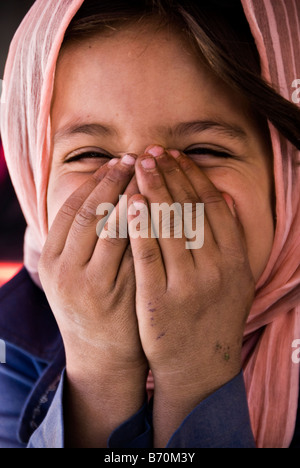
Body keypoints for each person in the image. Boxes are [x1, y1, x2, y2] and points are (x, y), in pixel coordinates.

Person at [0, 0, 299, 449]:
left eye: (203, 150)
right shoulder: (12, 346)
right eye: (91, 156)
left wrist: (197, 373)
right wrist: (100, 374)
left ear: (288, 178)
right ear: (33, 176)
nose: (141, 199)